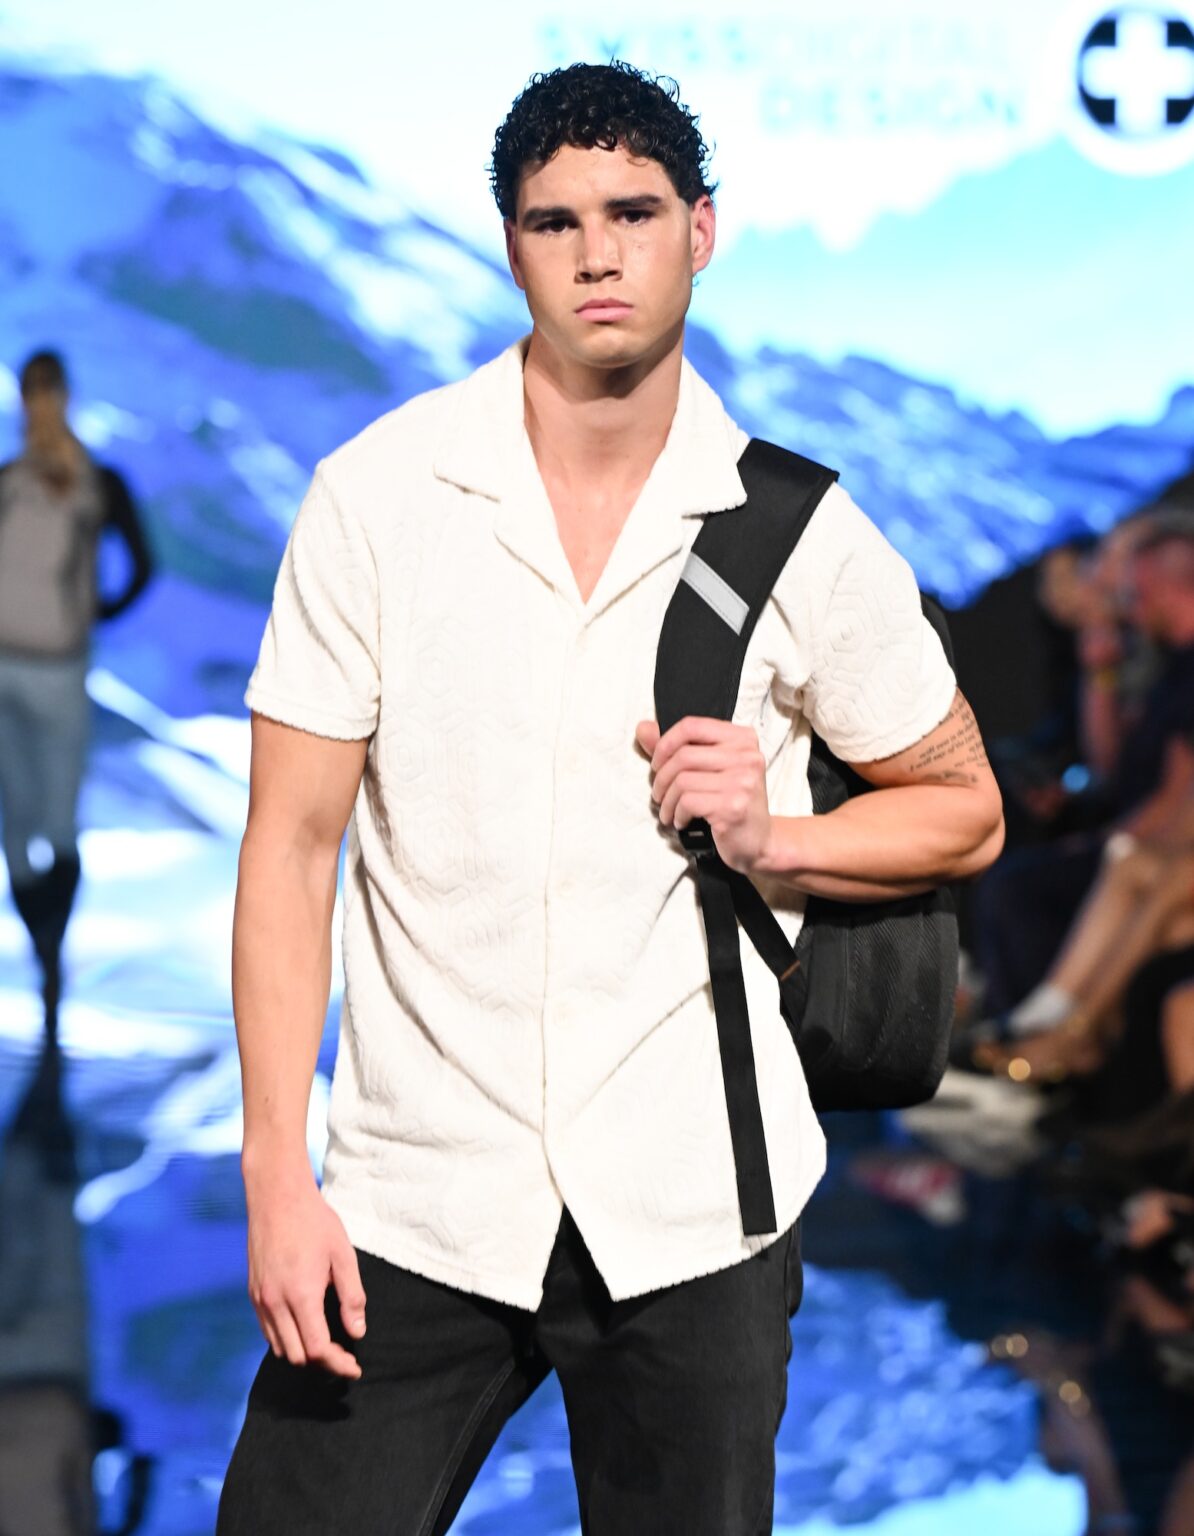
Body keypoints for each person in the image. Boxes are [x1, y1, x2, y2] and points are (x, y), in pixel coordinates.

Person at [216, 62, 1003, 1535]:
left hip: (693, 1203)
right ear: (508, 245)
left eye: (633, 211)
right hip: (409, 1201)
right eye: (553, 219)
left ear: (700, 230)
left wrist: (784, 837)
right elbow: (290, 845)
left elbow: (961, 807)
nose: (596, 252)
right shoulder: (376, 499)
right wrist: (275, 1172)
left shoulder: (799, 531)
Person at [0, 350, 153, 1037]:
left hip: (60, 671)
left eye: (46, 391)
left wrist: (95, 615)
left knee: (56, 824)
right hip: (6, 668)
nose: (40, 403)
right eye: (32, 392)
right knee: (15, 827)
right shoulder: (8, 481)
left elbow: (143, 564)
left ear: (61, 396)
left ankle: (50, 954)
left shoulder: (99, 484)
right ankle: (46, 951)